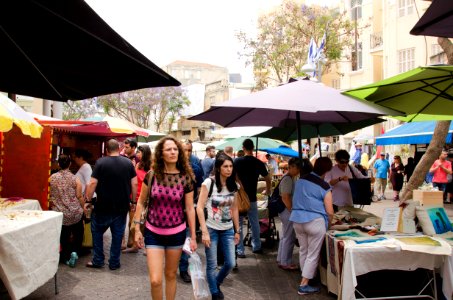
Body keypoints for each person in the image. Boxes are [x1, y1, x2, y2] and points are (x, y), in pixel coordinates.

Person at [133, 136, 197, 300]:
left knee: (170, 275)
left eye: (175, 149)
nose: (173, 152)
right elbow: (140, 203)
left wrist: (194, 237)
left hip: (177, 234)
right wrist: (137, 229)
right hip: (153, 232)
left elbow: (190, 208)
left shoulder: (186, 178)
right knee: (155, 280)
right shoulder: (152, 175)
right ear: (161, 153)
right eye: (169, 149)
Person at [84, 139, 137, 270]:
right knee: (118, 235)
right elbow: (134, 183)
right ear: (119, 149)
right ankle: (114, 263)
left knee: (97, 232)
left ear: (106, 150)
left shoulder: (100, 162)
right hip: (121, 207)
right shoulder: (128, 163)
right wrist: (133, 201)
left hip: (103, 205)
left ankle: (98, 260)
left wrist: (88, 200)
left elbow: (92, 183)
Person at [196, 154, 240, 300]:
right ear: (218, 168)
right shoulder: (208, 183)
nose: (229, 169)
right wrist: (204, 232)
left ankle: (216, 282)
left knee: (230, 263)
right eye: (225, 166)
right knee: (212, 264)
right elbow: (199, 207)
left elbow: (234, 209)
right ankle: (215, 293)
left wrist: (237, 230)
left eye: (231, 166)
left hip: (228, 229)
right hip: (211, 229)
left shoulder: (234, 185)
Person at [290, 157, 334, 295]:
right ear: (327, 170)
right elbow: (330, 211)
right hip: (315, 221)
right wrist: (330, 223)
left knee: (304, 250)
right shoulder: (325, 186)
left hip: (297, 219)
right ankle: (304, 284)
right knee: (313, 254)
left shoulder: (300, 180)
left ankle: (306, 276)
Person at [234, 139, 271, 256]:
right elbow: (268, 178)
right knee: (255, 222)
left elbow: (233, 176)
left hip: (240, 197)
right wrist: (268, 189)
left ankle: (240, 250)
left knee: (238, 224)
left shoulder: (237, 161)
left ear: (243, 147)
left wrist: (239, 185)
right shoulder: (258, 162)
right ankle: (257, 246)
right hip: (252, 198)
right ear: (253, 148)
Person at [49, 154, 84, 267]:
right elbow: (79, 196)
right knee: (78, 233)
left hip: (59, 213)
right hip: (74, 213)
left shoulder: (52, 178)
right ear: (69, 164)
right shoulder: (75, 179)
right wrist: (83, 208)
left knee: (63, 236)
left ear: (58, 164)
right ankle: (75, 251)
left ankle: (65, 257)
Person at [179, 139, 204, 283]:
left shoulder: (196, 168)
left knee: (187, 242)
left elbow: (200, 189)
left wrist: (197, 206)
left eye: (189, 150)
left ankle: (183, 269)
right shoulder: (172, 167)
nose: (187, 153)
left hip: (189, 210)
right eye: (184, 150)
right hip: (173, 213)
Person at [123, 144, 152, 254]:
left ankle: (147, 246)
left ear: (145, 153)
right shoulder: (138, 164)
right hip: (136, 197)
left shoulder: (151, 166)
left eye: (139, 152)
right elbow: (134, 180)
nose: (137, 154)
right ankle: (134, 244)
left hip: (146, 198)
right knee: (133, 222)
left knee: (146, 223)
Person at [276, 157, 300, 271]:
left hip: (286, 210)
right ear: (292, 167)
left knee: (285, 236)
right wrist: (292, 210)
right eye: (298, 167)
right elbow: (285, 197)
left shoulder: (290, 178)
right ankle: (286, 261)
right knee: (289, 237)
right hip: (287, 211)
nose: (299, 170)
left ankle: (282, 259)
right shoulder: (288, 179)